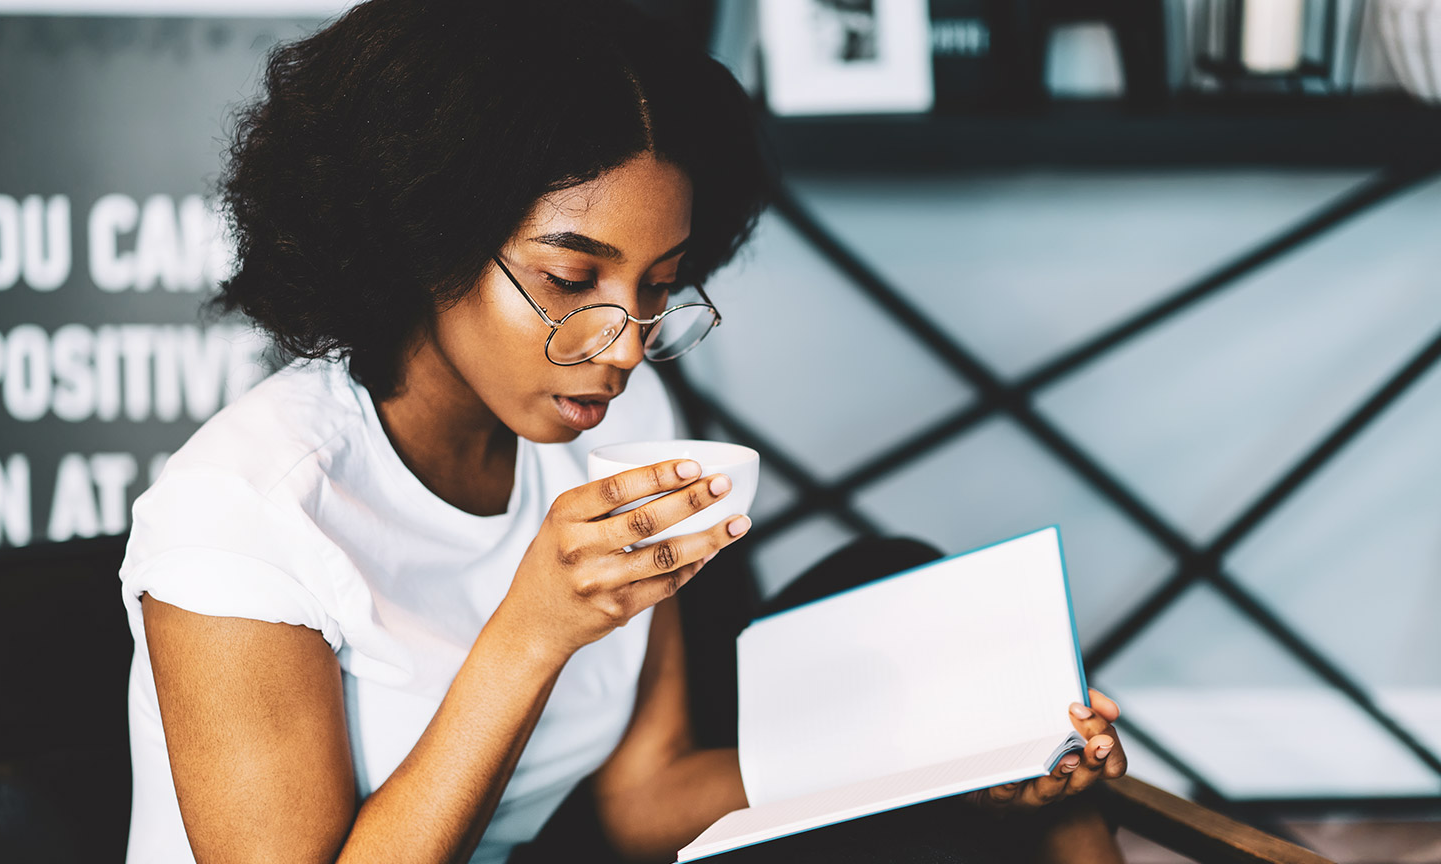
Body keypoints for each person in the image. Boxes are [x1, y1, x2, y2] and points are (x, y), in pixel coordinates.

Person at [117, 2, 1129, 863]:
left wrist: (959, 760)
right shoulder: (249, 515)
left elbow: (644, 797)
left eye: (659, 287)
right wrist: (531, 633)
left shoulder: (615, 422)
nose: (624, 347)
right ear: (419, 235)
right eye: (570, 280)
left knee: (909, 610)